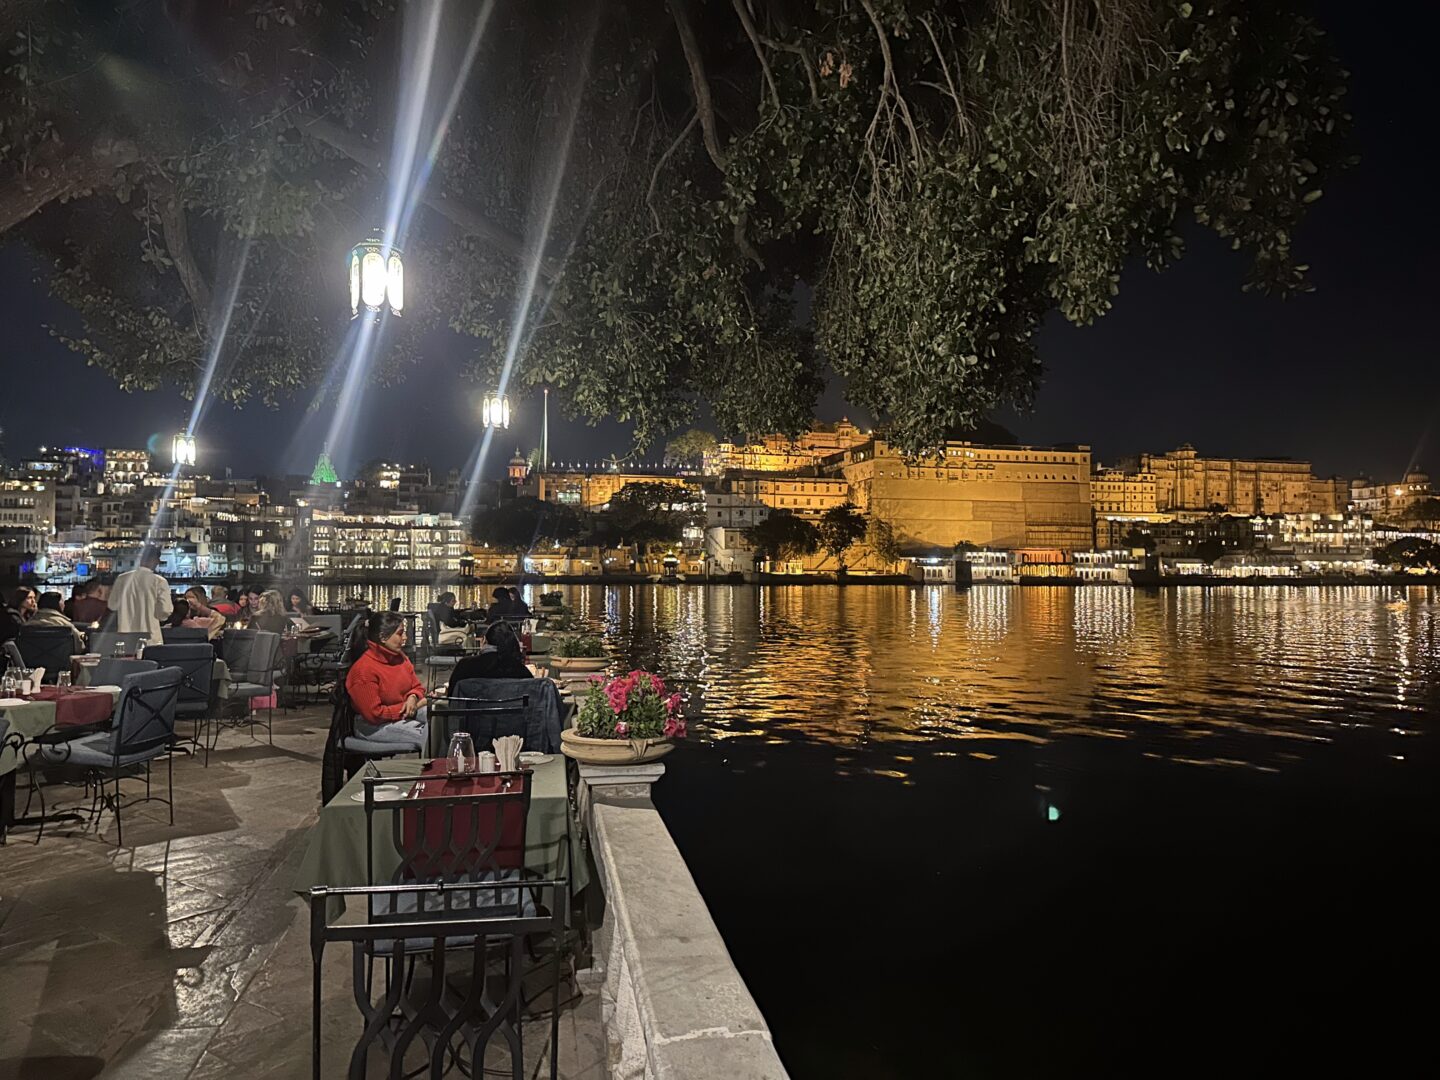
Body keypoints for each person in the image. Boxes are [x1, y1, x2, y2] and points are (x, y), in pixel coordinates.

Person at [345, 610, 427, 751]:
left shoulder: (400, 657)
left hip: (403, 712)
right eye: (400, 633)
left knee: (443, 721)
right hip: (373, 726)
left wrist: (413, 698)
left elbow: (417, 687)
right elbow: (374, 714)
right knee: (431, 735)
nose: (405, 638)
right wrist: (410, 708)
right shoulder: (364, 670)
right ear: (383, 637)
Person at [109, 546, 172, 645]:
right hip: (151, 638)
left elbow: (112, 605)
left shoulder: (122, 579)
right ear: (154, 560)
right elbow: (166, 610)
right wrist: (159, 616)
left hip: (125, 637)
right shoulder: (159, 581)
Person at [447, 620, 532, 692]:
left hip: (471, 711)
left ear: (485, 641)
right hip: (511, 711)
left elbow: (451, 697)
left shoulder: (464, 666)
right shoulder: (521, 671)